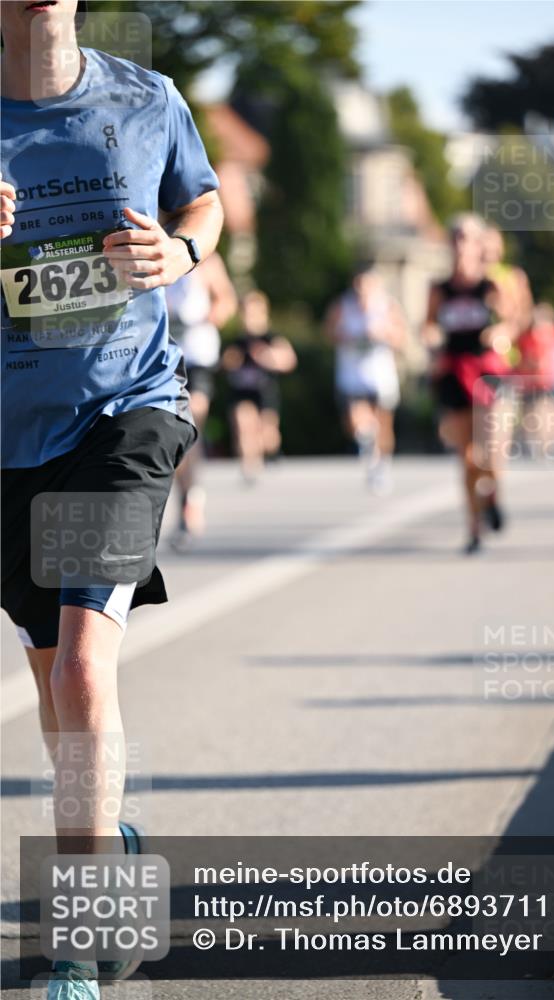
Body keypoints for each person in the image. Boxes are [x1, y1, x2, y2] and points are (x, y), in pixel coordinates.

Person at [0, 2, 223, 996]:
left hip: (121, 415)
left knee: (85, 672)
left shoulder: (145, 97)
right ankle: (114, 846)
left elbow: (204, 203)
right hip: (7, 441)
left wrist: (179, 255)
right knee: (57, 686)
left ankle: (77, 947)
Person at [422, 215, 520, 554]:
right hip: (454, 372)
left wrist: (500, 332)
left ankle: (492, 493)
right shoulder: (440, 289)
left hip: (488, 372)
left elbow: (513, 321)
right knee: (466, 459)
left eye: (468, 238)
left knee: (491, 453)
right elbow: (428, 326)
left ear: (480, 246)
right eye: (457, 238)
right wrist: (432, 341)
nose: (462, 245)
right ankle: (474, 527)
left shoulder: (491, 285)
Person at [166, 253, 237, 547]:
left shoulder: (206, 258)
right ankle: (187, 496)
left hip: (198, 357)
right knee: (171, 434)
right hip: (165, 356)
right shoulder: (154, 247)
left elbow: (226, 302)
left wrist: (201, 320)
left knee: (189, 425)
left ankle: (190, 501)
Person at [326, 265, 407, 495]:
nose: (363, 291)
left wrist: (383, 333)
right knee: (356, 421)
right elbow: (329, 332)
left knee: (383, 423)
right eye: (359, 286)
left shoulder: (387, 306)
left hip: (380, 376)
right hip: (352, 375)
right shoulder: (343, 305)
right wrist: (345, 335)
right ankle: (367, 443)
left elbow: (401, 337)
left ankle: (381, 465)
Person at [221, 290, 297, 483]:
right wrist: (231, 362)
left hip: (265, 391)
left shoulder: (271, 338)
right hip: (242, 391)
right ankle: (249, 466)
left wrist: (269, 358)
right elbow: (226, 363)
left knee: (268, 435)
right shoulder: (238, 342)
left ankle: (272, 452)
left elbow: (289, 360)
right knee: (243, 424)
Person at [515, 302, 554, 457]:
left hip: (549, 379)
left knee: (548, 410)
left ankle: (550, 442)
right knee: (531, 411)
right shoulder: (526, 337)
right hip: (530, 381)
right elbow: (522, 358)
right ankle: (534, 443)